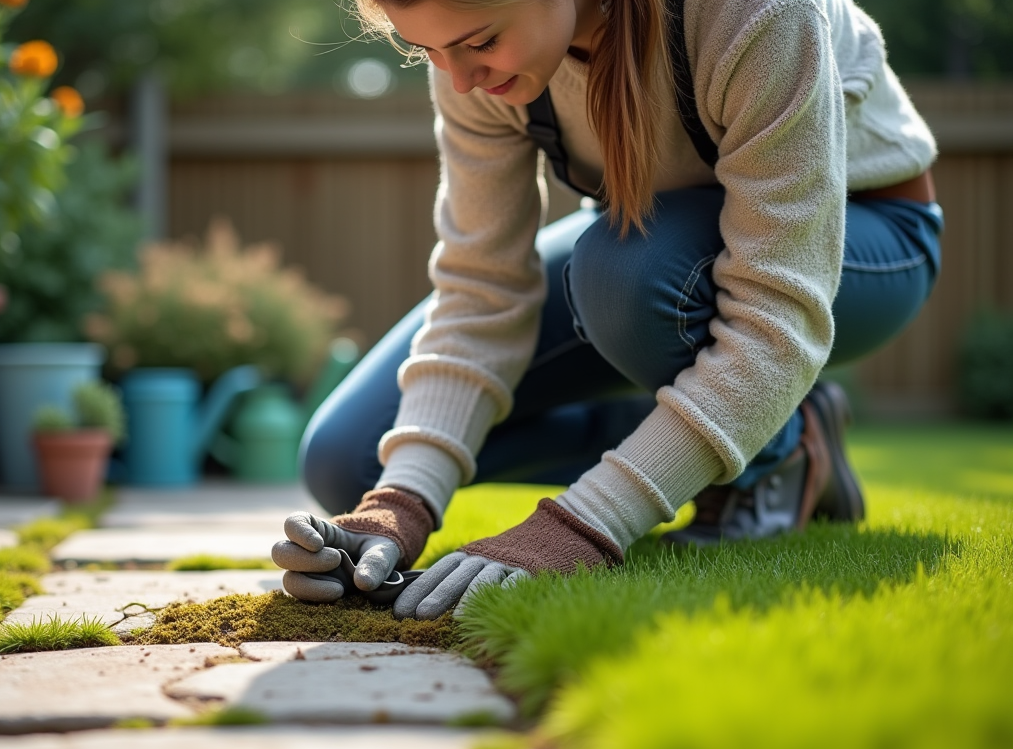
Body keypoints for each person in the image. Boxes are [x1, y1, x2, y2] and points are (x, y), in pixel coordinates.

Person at [271, 0, 942, 619]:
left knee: (624, 278)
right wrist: (401, 501)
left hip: (855, 240)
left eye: (481, 43)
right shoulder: (467, 66)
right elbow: (481, 291)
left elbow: (777, 316)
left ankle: (783, 450)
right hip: (650, 248)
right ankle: (716, 432)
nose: (460, 80)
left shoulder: (756, 15)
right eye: (425, 51)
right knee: (348, 459)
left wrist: (584, 524)